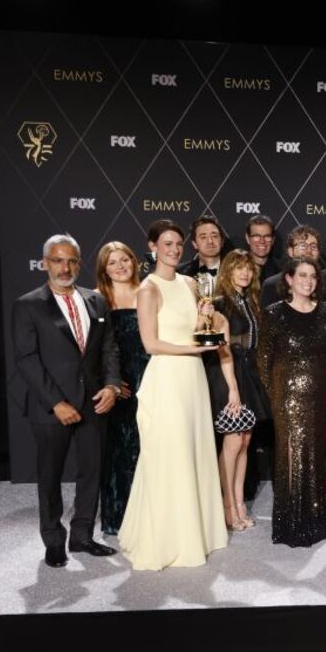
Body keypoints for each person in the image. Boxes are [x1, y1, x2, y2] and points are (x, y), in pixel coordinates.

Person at [119, 220, 229, 570]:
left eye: (179, 243)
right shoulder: (148, 289)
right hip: (167, 377)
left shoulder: (191, 283)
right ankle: (169, 537)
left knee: (194, 450)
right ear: (152, 246)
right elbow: (151, 343)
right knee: (171, 454)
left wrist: (205, 318)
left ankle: (199, 532)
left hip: (192, 379)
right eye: (167, 243)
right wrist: (193, 350)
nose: (174, 248)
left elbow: (197, 330)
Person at [13, 234, 122, 568]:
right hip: (51, 407)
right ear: (45, 263)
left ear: (79, 262)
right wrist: (56, 402)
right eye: (58, 260)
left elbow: (109, 349)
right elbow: (27, 359)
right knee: (50, 475)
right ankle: (54, 540)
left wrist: (112, 386)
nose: (65, 267)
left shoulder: (96, 301)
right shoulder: (28, 304)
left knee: (92, 472)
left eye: (72, 260)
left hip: (94, 402)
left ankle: (82, 536)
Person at [257, 257, 326, 547]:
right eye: (302, 275)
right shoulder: (274, 313)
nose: (308, 281)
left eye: (313, 276)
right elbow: (264, 360)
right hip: (288, 396)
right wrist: (277, 396)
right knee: (294, 456)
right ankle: (293, 524)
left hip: (324, 393)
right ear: (289, 279)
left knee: (322, 453)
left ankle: (321, 520)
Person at [204, 250, 270, 531]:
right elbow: (222, 351)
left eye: (248, 269)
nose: (245, 273)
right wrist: (232, 389)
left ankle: (240, 503)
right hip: (227, 375)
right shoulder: (219, 303)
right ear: (227, 271)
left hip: (249, 374)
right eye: (238, 268)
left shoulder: (250, 301)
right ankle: (227, 506)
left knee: (244, 442)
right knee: (232, 443)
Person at [94, 241, 148, 536]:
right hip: (117, 384)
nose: (120, 266)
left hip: (150, 379)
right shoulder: (97, 299)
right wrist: (112, 383)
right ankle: (118, 518)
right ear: (104, 268)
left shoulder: (148, 293)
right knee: (118, 452)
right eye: (112, 262)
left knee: (147, 448)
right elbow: (93, 349)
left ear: (133, 261)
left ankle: (147, 519)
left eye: (124, 259)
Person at [259, 224, 326, 308]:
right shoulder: (272, 285)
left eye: (313, 246)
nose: (309, 250)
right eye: (303, 246)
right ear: (290, 251)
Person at [244, 215, 278, 283]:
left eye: (267, 236)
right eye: (256, 236)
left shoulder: (282, 272)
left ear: (273, 240)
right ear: (248, 238)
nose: (262, 241)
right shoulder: (236, 271)